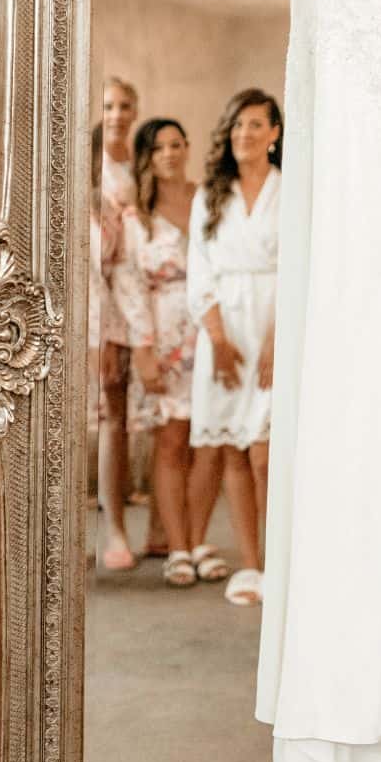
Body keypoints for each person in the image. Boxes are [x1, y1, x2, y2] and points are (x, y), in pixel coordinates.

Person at [114, 119, 229, 587]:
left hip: (213, 328)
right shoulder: (136, 215)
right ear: (147, 156)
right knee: (172, 440)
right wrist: (142, 350)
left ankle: (200, 540)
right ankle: (177, 548)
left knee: (212, 438)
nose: (169, 153)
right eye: (158, 147)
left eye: (176, 144)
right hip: (162, 335)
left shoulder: (210, 200)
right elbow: (129, 285)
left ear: (187, 148)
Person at [186, 89, 282, 607]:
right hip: (222, 328)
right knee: (233, 453)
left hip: (273, 325)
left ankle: (279, 564)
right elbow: (198, 268)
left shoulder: (290, 190)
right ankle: (250, 564)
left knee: (266, 454)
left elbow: (297, 266)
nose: (244, 133)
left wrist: (276, 341)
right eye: (237, 124)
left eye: (255, 124)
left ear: (274, 133)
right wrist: (217, 338)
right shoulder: (211, 195)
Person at [94, 77, 139, 569]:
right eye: (109, 105)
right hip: (104, 305)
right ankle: (113, 529)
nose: (118, 113)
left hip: (141, 301)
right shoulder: (91, 168)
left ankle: (152, 527)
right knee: (108, 415)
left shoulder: (140, 163)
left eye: (125, 105)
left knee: (127, 419)